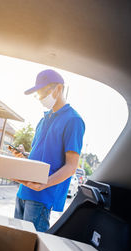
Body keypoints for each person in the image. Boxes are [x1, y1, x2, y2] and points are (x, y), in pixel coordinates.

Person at [11, 69, 85, 232]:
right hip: (23, 192)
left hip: (41, 197)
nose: (40, 98)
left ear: (58, 89)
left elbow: (71, 166)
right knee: (16, 242)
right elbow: (42, 157)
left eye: (43, 92)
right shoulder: (42, 120)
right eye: (37, 94)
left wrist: (44, 184)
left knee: (30, 248)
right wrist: (24, 155)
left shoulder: (73, 121)